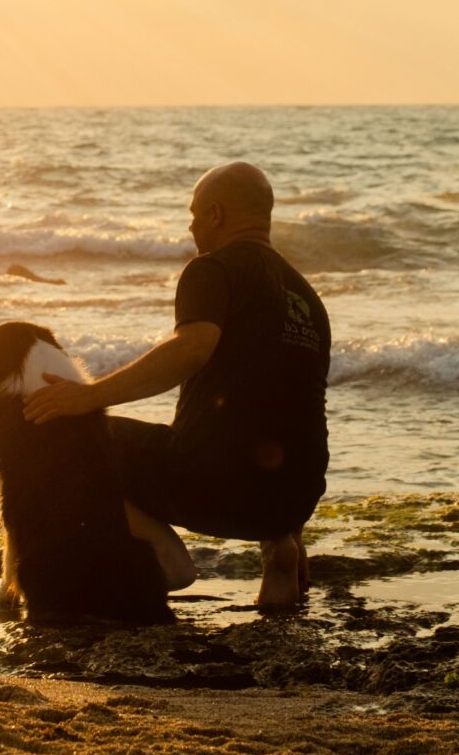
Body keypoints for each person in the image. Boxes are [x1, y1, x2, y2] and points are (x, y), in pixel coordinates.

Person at [23, 162, 331, 607]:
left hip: (217, 488)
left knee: (72, 437)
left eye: (193, 214)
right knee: (263, 420)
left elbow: (191, 349)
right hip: (296, 496)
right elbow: (294, 406)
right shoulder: (306, 295)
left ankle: (168, 561)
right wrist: (287, 521)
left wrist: (88, 397)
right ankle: (279, 552)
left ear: (216, 214)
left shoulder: (212, 269)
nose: (190, 226)